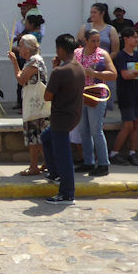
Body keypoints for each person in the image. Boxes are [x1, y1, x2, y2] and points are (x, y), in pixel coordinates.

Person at [39, 34, 86, 206]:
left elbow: (47, 95)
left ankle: (66, 193)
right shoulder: (79, 67)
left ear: (60, 49)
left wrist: (54, 70)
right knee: (46, 137)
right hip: (73, 114)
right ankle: (54, 173)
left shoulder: (60, 72)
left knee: (63, 155)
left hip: (61, 117)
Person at [74, 29, 117, 176]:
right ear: (85, 41)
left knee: (96, 130)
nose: (96, 44)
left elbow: (113, 74)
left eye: (98, 41)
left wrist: (95, 73)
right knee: (83, 130)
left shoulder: (102, 55)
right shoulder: (77, 53)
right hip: (81, 95)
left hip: (97, 95)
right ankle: (88, 161)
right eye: (93, 40)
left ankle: (104, 163)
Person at [110, 27, 138, 166]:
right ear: (126, 39)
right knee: (127, 125)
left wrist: (136, 72)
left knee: (135, 125)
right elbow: (125, 75)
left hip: (137, 95)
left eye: (137, 37)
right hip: (126, 95)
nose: (137, 40)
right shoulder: (121, 56)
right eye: (134, 37)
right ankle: (114, 153)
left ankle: (132, 152)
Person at [9, 33, 49, 176]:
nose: (18, 49)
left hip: (35, 105)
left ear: (28, 48)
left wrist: (14, 62)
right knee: (39, 137)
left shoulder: (34, 61)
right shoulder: (32, 61)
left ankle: (34, 166)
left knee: (34, 136)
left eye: (20, 46)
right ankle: (49, 162)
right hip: (36, 104)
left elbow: (21, 79)